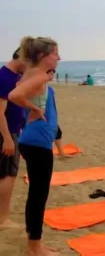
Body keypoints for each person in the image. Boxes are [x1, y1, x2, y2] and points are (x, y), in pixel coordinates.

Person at [8, 36, 61, 256]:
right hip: (38, 140)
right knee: (39, 195)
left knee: (36, 194)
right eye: (55, 53)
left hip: (32, 139)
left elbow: (19, 90)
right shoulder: (38, 75)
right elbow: (14, 95)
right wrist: (35, 109)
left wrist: (31, 107)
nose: (59, 57)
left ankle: (34, 242)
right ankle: (35, 247)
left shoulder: (30, 74)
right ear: (42, 56)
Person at [0, 48, 26, 230]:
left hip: (11, 131)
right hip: (7, 132)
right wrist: (7, 138)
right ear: (21, 57)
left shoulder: (12, 76)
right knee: (8, 175)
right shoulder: (6, 77)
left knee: (5, 174)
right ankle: (3, 219)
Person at [47, 69, 72, 159]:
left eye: (53, 74)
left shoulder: (49, 89)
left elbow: (52, 104)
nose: (52, 76)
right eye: (51, 74)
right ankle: (60, 153)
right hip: (45, 118)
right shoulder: (42, 88)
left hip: (51, 117)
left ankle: (61, 153)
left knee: (58, 133)